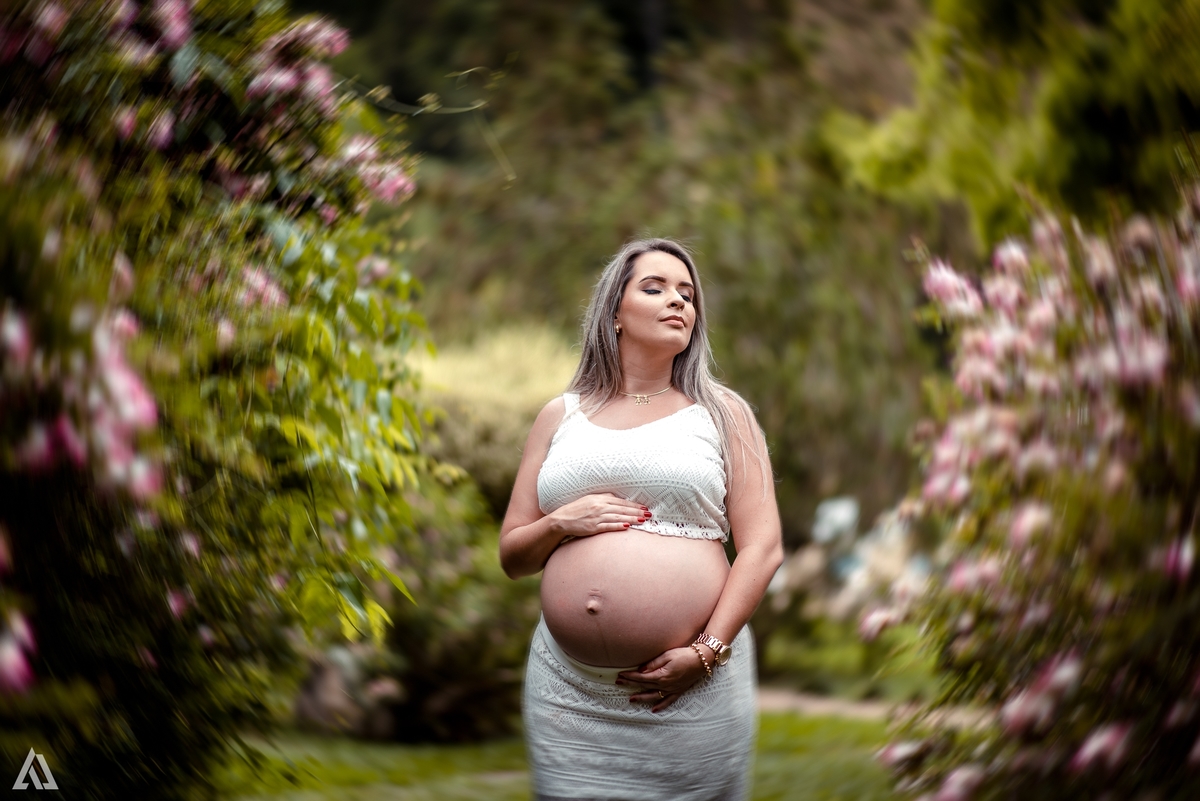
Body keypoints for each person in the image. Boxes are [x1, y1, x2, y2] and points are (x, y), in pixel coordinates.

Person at [500, 238, 784, 801]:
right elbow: (512, 555)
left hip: (687, 690)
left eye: (687, 293)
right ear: (614, 314)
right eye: (654, 288)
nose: (678, 300)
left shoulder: (722, 412)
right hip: (566, 693)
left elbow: (764, 547)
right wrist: (561, 523)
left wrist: (705, 654)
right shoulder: (562, 415)